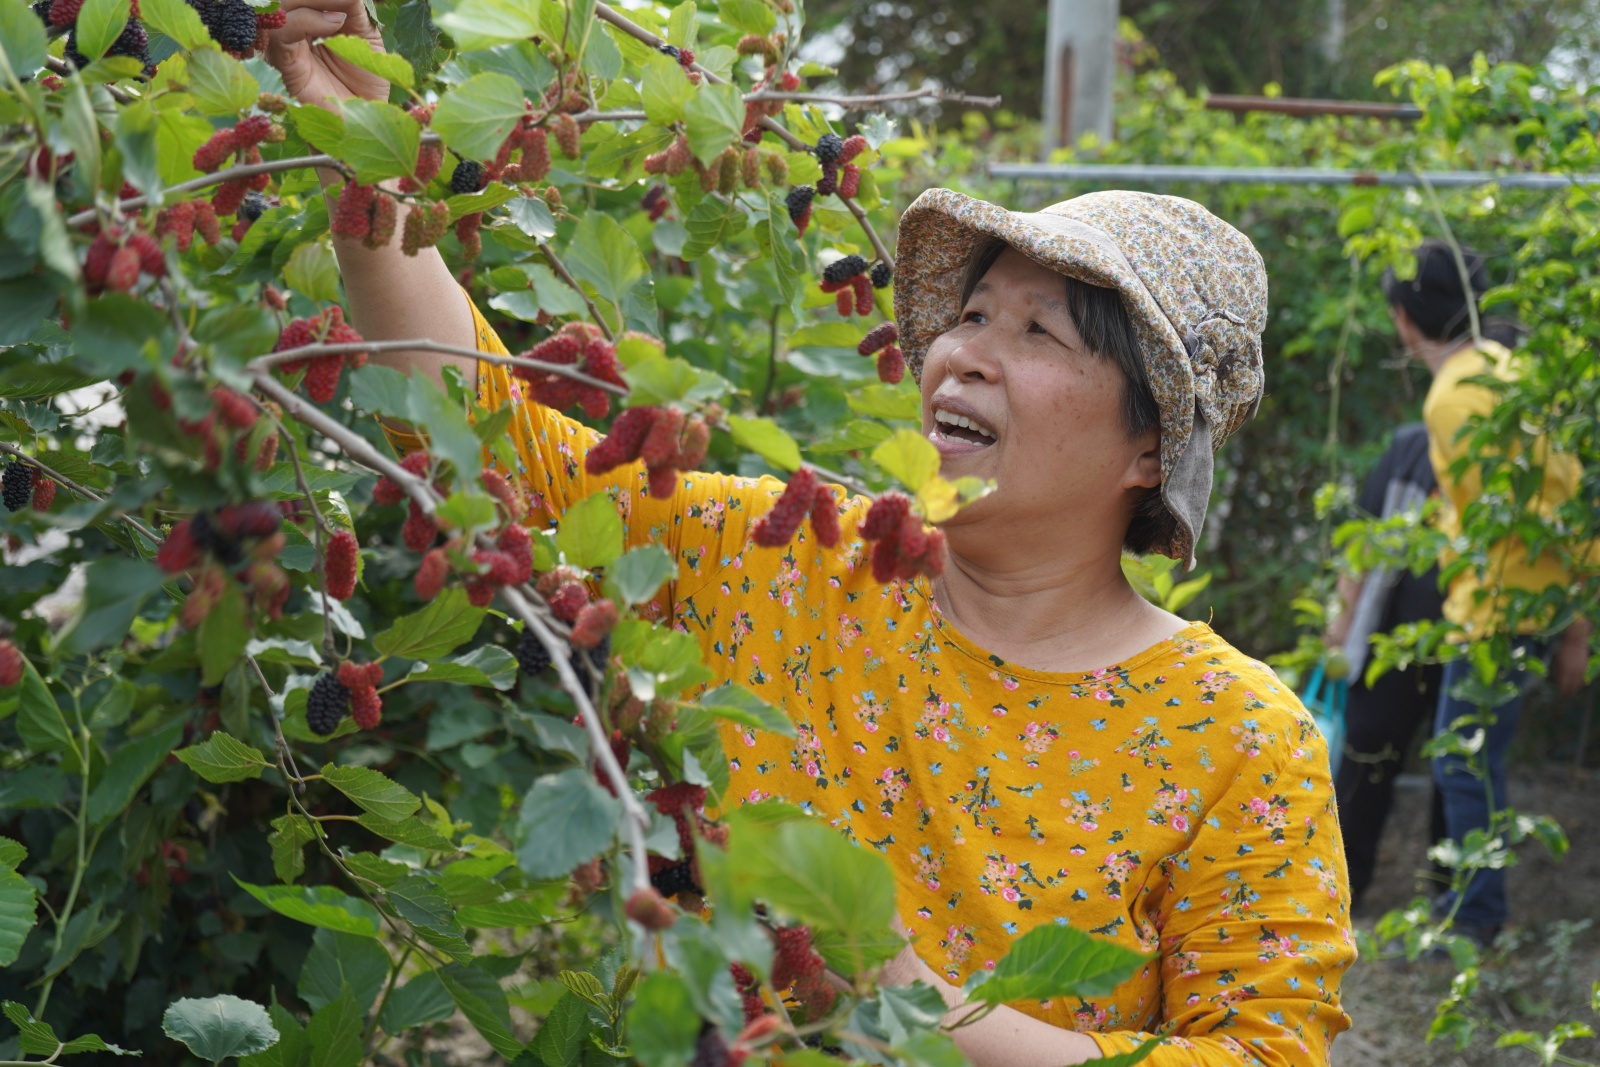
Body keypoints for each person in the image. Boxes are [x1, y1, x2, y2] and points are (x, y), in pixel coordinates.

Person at [267, 6, 1356, 1063]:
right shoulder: (787, 561)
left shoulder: (1236, 738)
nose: (966, 353)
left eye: (1037, 331)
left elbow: (1262, 1051)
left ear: (1149, 450)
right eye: (972, 315)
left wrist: (915, 1002)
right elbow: (506, 447)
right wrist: (373, 161)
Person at [1384, 240, 1594, 946]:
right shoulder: (1507, 368)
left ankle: (1476, 923)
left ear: (1410, 318)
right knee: (1472, 761)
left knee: (1463, 763)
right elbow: (1564, 496)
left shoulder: (1453, 394)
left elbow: (1511, 513)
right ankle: (1473, 914)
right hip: (1532, 604)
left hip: (1498, 608)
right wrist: (1573, 618)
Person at [1325, 423, 1447, 914]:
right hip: (1388, 643)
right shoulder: (1411, 447)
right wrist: (1339, 622)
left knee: (1456, 771)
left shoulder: (1505, 455)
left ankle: (1449, 901)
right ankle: (1341, 891)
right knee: (1365, 757)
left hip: (1465, 647)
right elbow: (1361, 544)